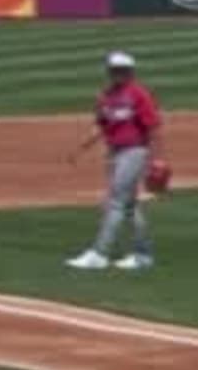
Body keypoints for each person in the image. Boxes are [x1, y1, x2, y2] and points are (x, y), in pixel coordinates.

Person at [67, 51, 162, 271]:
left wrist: (156, 158)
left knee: (116, 201)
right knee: (129, 206)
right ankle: (142, 255)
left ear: (130, 72)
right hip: (114, 152)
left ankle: (99, 253)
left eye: (121, 70)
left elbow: (153, 126)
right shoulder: (106, 95)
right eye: (113, 70)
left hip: (134, 151)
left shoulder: (138, 95)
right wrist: (81, 148)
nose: (116, 74)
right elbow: (101, 125)